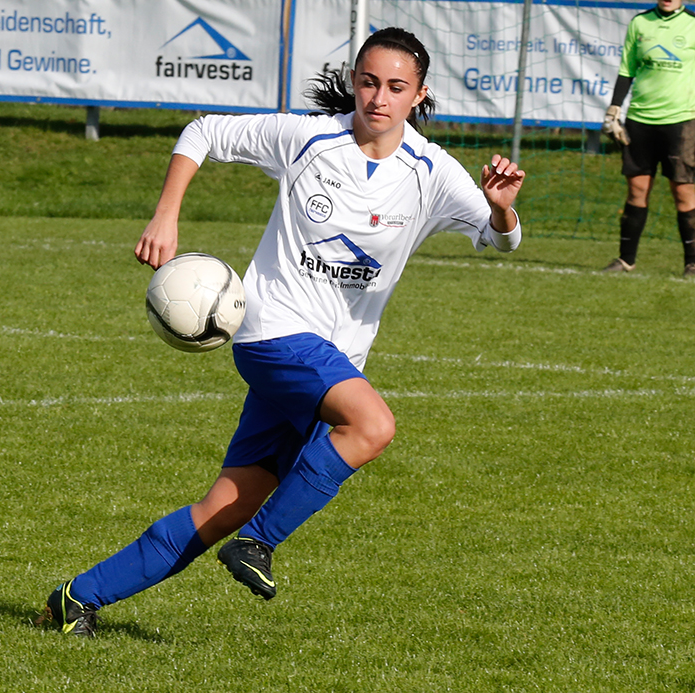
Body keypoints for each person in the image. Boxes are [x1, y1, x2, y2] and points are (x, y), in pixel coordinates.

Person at [37, 27, 525, 637]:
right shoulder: (308, 139)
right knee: (373, 425)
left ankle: (76, 599)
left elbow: (503, 239)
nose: (379, 98)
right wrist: (166, 214)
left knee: (223, 507)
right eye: (369, 82)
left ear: (419, 95)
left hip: (332, 362)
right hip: (272, 334)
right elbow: (202, 132)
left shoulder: (432, 172)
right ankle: (259, 543)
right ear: (354, 82)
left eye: (396, 87)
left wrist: (501, 207)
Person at [601, 0, 695, 278]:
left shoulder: (692, 24)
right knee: (637, 190)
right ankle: (625, 260)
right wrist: (614, 108)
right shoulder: (640, 22)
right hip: (640, 120)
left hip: (681, 121)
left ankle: (692, 263)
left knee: (684, 193)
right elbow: (626, 70)